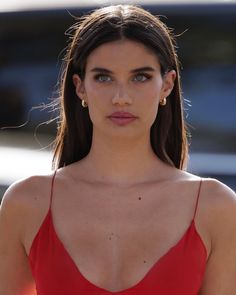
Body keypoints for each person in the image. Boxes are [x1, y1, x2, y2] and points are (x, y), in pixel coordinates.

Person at [0, 4, 236, 295]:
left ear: (167, 85)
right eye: (103, 77)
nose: (121, 97)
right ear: (80, 87)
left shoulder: (216, 208)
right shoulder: (26, 204)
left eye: (140, 77)